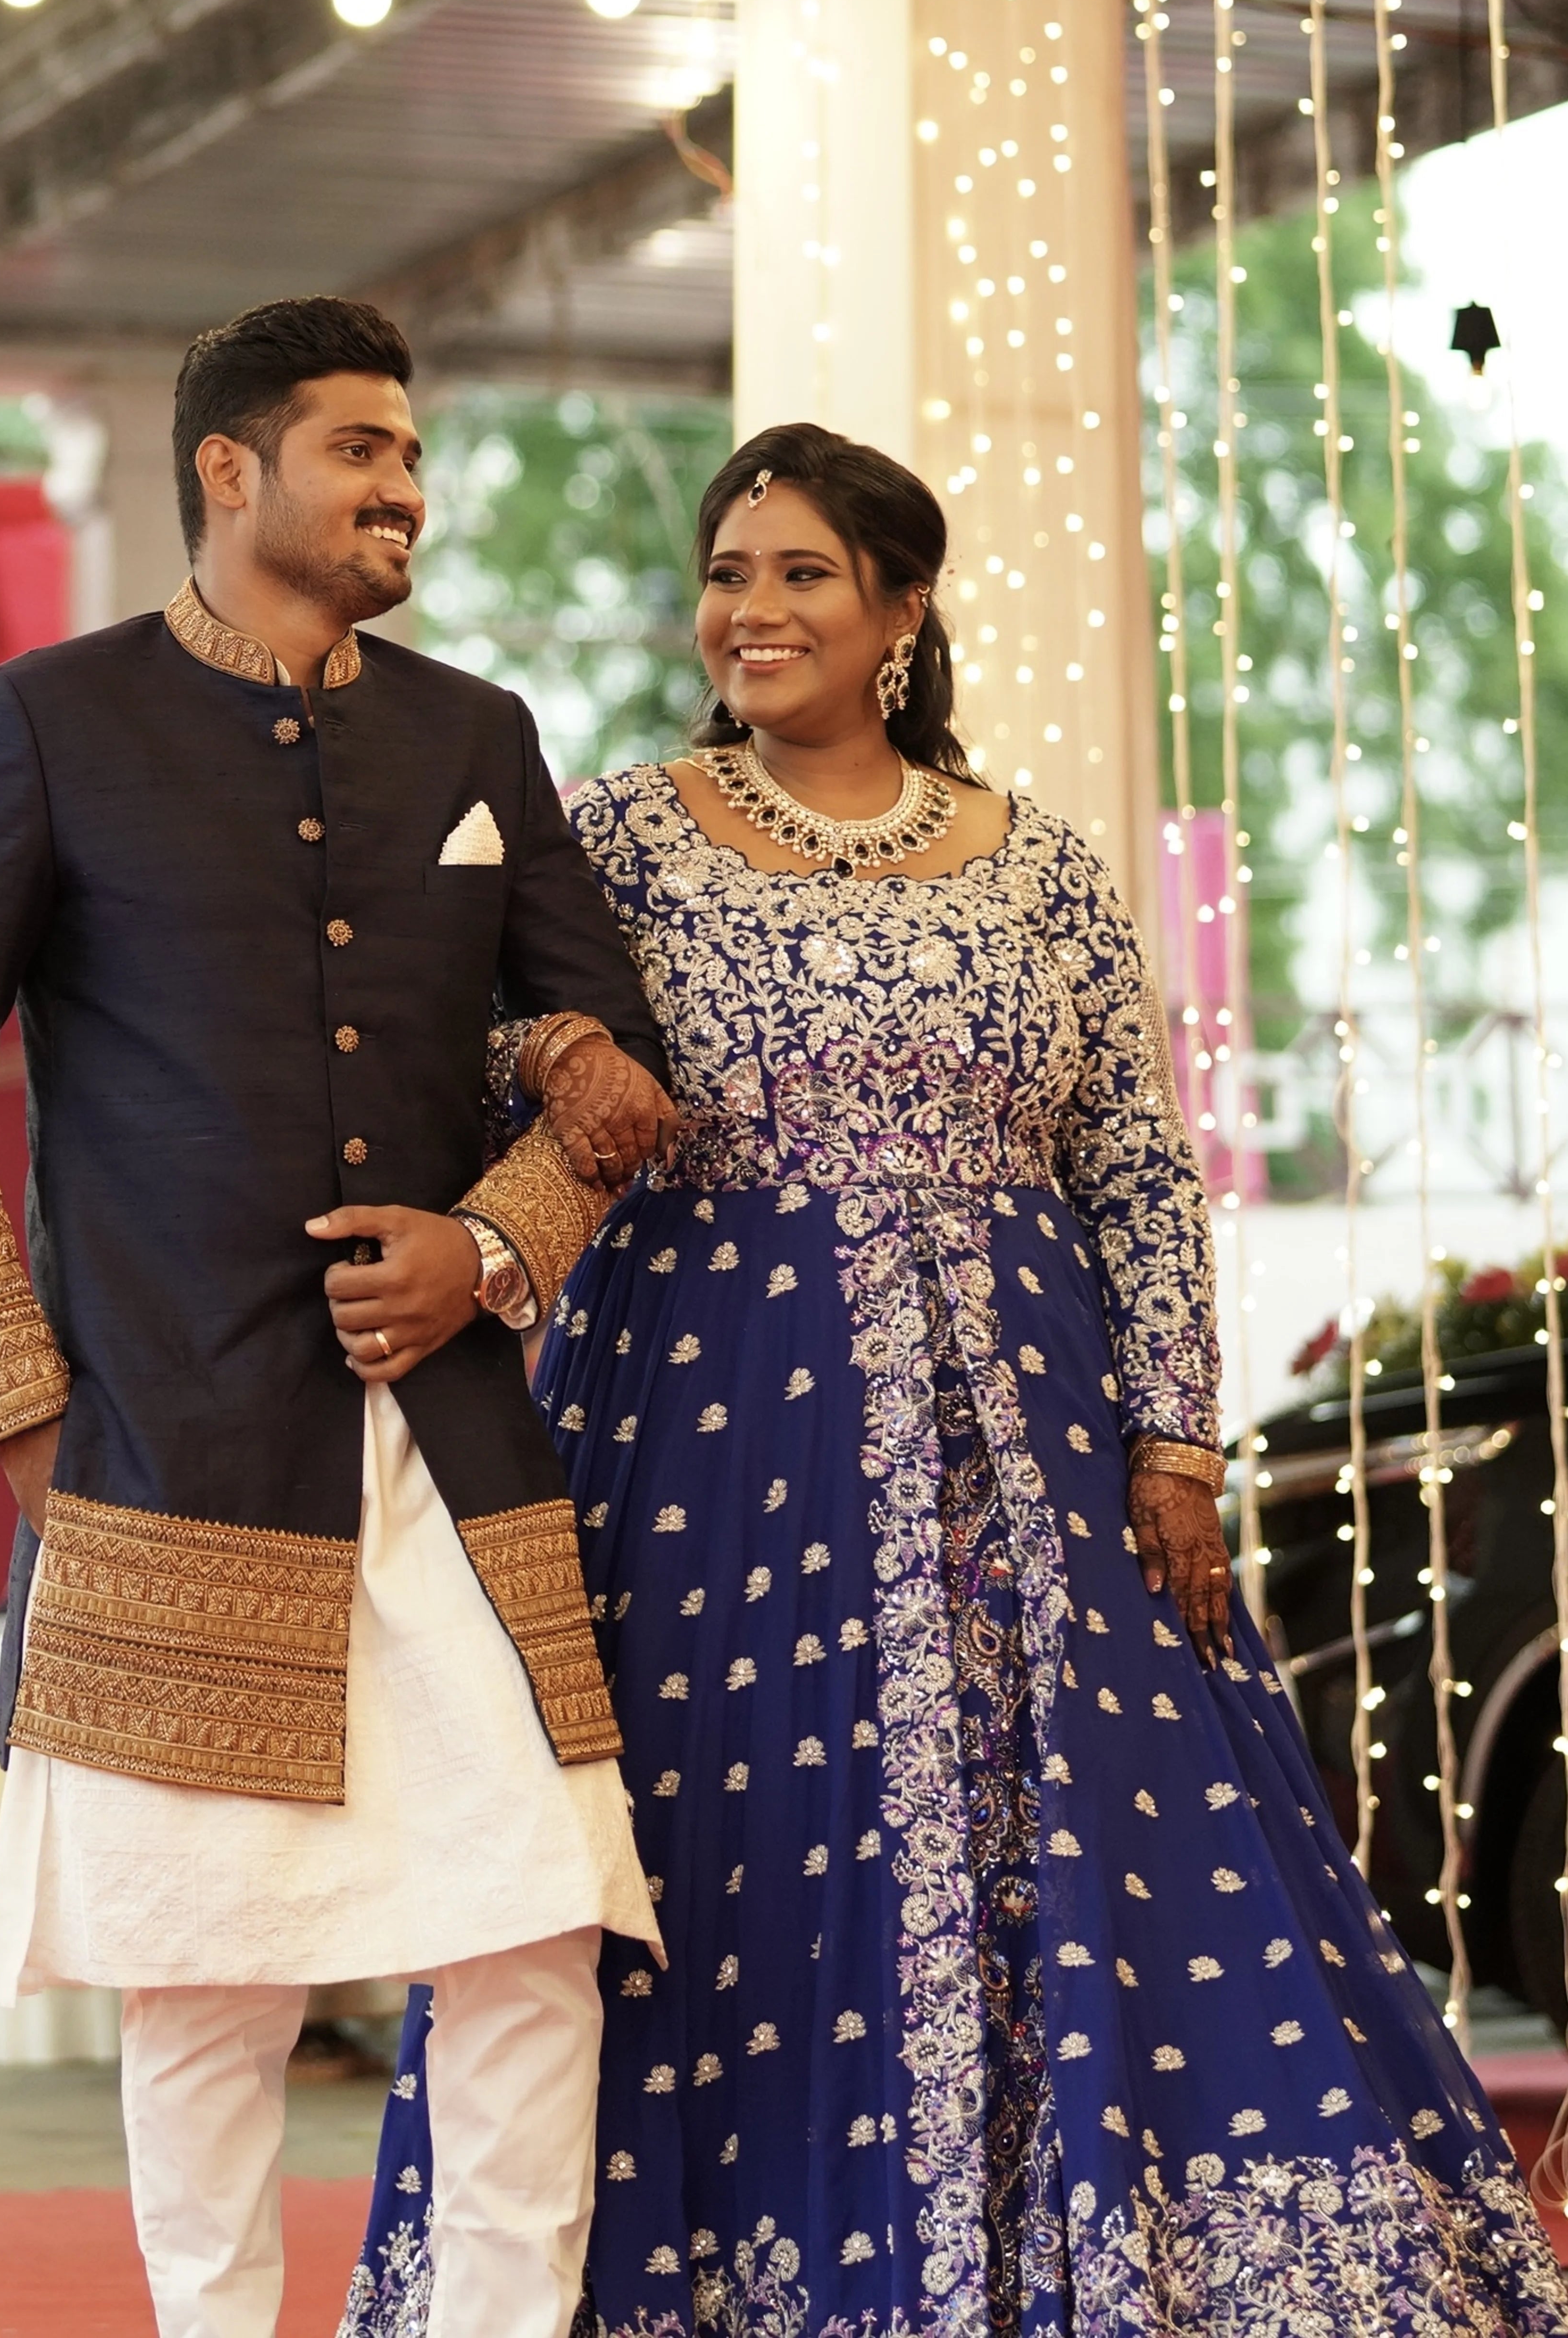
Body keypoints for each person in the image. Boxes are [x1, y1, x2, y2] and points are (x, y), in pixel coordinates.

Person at [350, 423, 1568, 2335]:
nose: (750, 609)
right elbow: (486, 1021)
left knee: (1074, 1841)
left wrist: (1172, 1440)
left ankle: (1067, 2268)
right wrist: (560, 1051)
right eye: (727, 571)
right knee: (724, 1863)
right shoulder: (629, 834)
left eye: (800, 573)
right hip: (712, 1439)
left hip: (1030, 1443)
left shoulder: (1040, 868)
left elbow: (1137, 1169)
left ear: (899, 610)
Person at [0, 294, 683, 2338]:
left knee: (528, 1929)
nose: (403, 489)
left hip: (460, 1454)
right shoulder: (49, 718)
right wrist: (21, 1411)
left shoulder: (474, 730)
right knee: (204, 1971)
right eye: (361, 450)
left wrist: (481, 1247)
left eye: (408, 453)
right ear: (232, 472)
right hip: (168, 1443)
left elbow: (607, 1055)